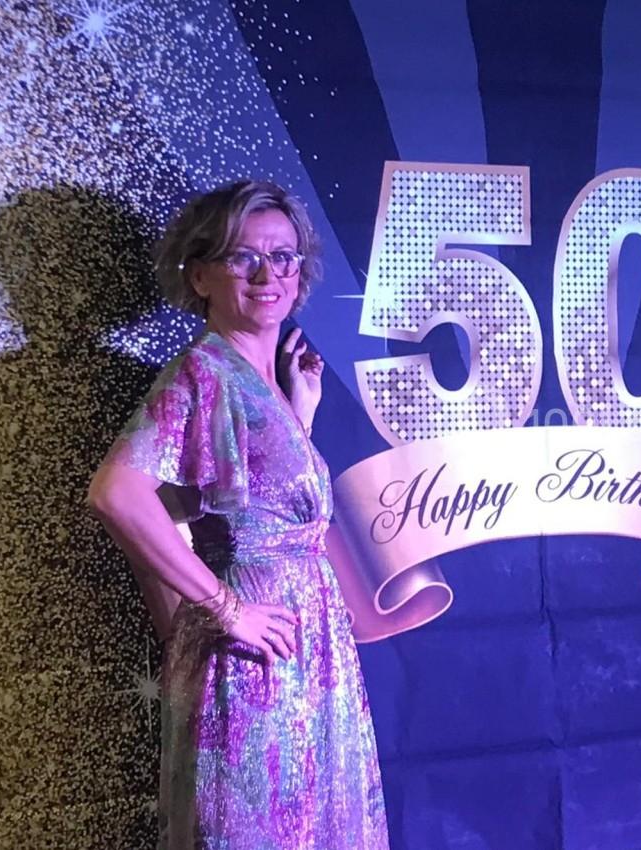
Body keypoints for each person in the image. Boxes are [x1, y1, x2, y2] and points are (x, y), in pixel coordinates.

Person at [88, 180, 390, 849]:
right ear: (200, 274)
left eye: (283, 257)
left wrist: (298, 412)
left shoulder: (256, 381)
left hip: (308, 648)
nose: (268, 274)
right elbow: (118, 493)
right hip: (254, 655)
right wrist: (226, 609)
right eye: (242, 257)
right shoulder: (200, 373)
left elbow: (258, 503)